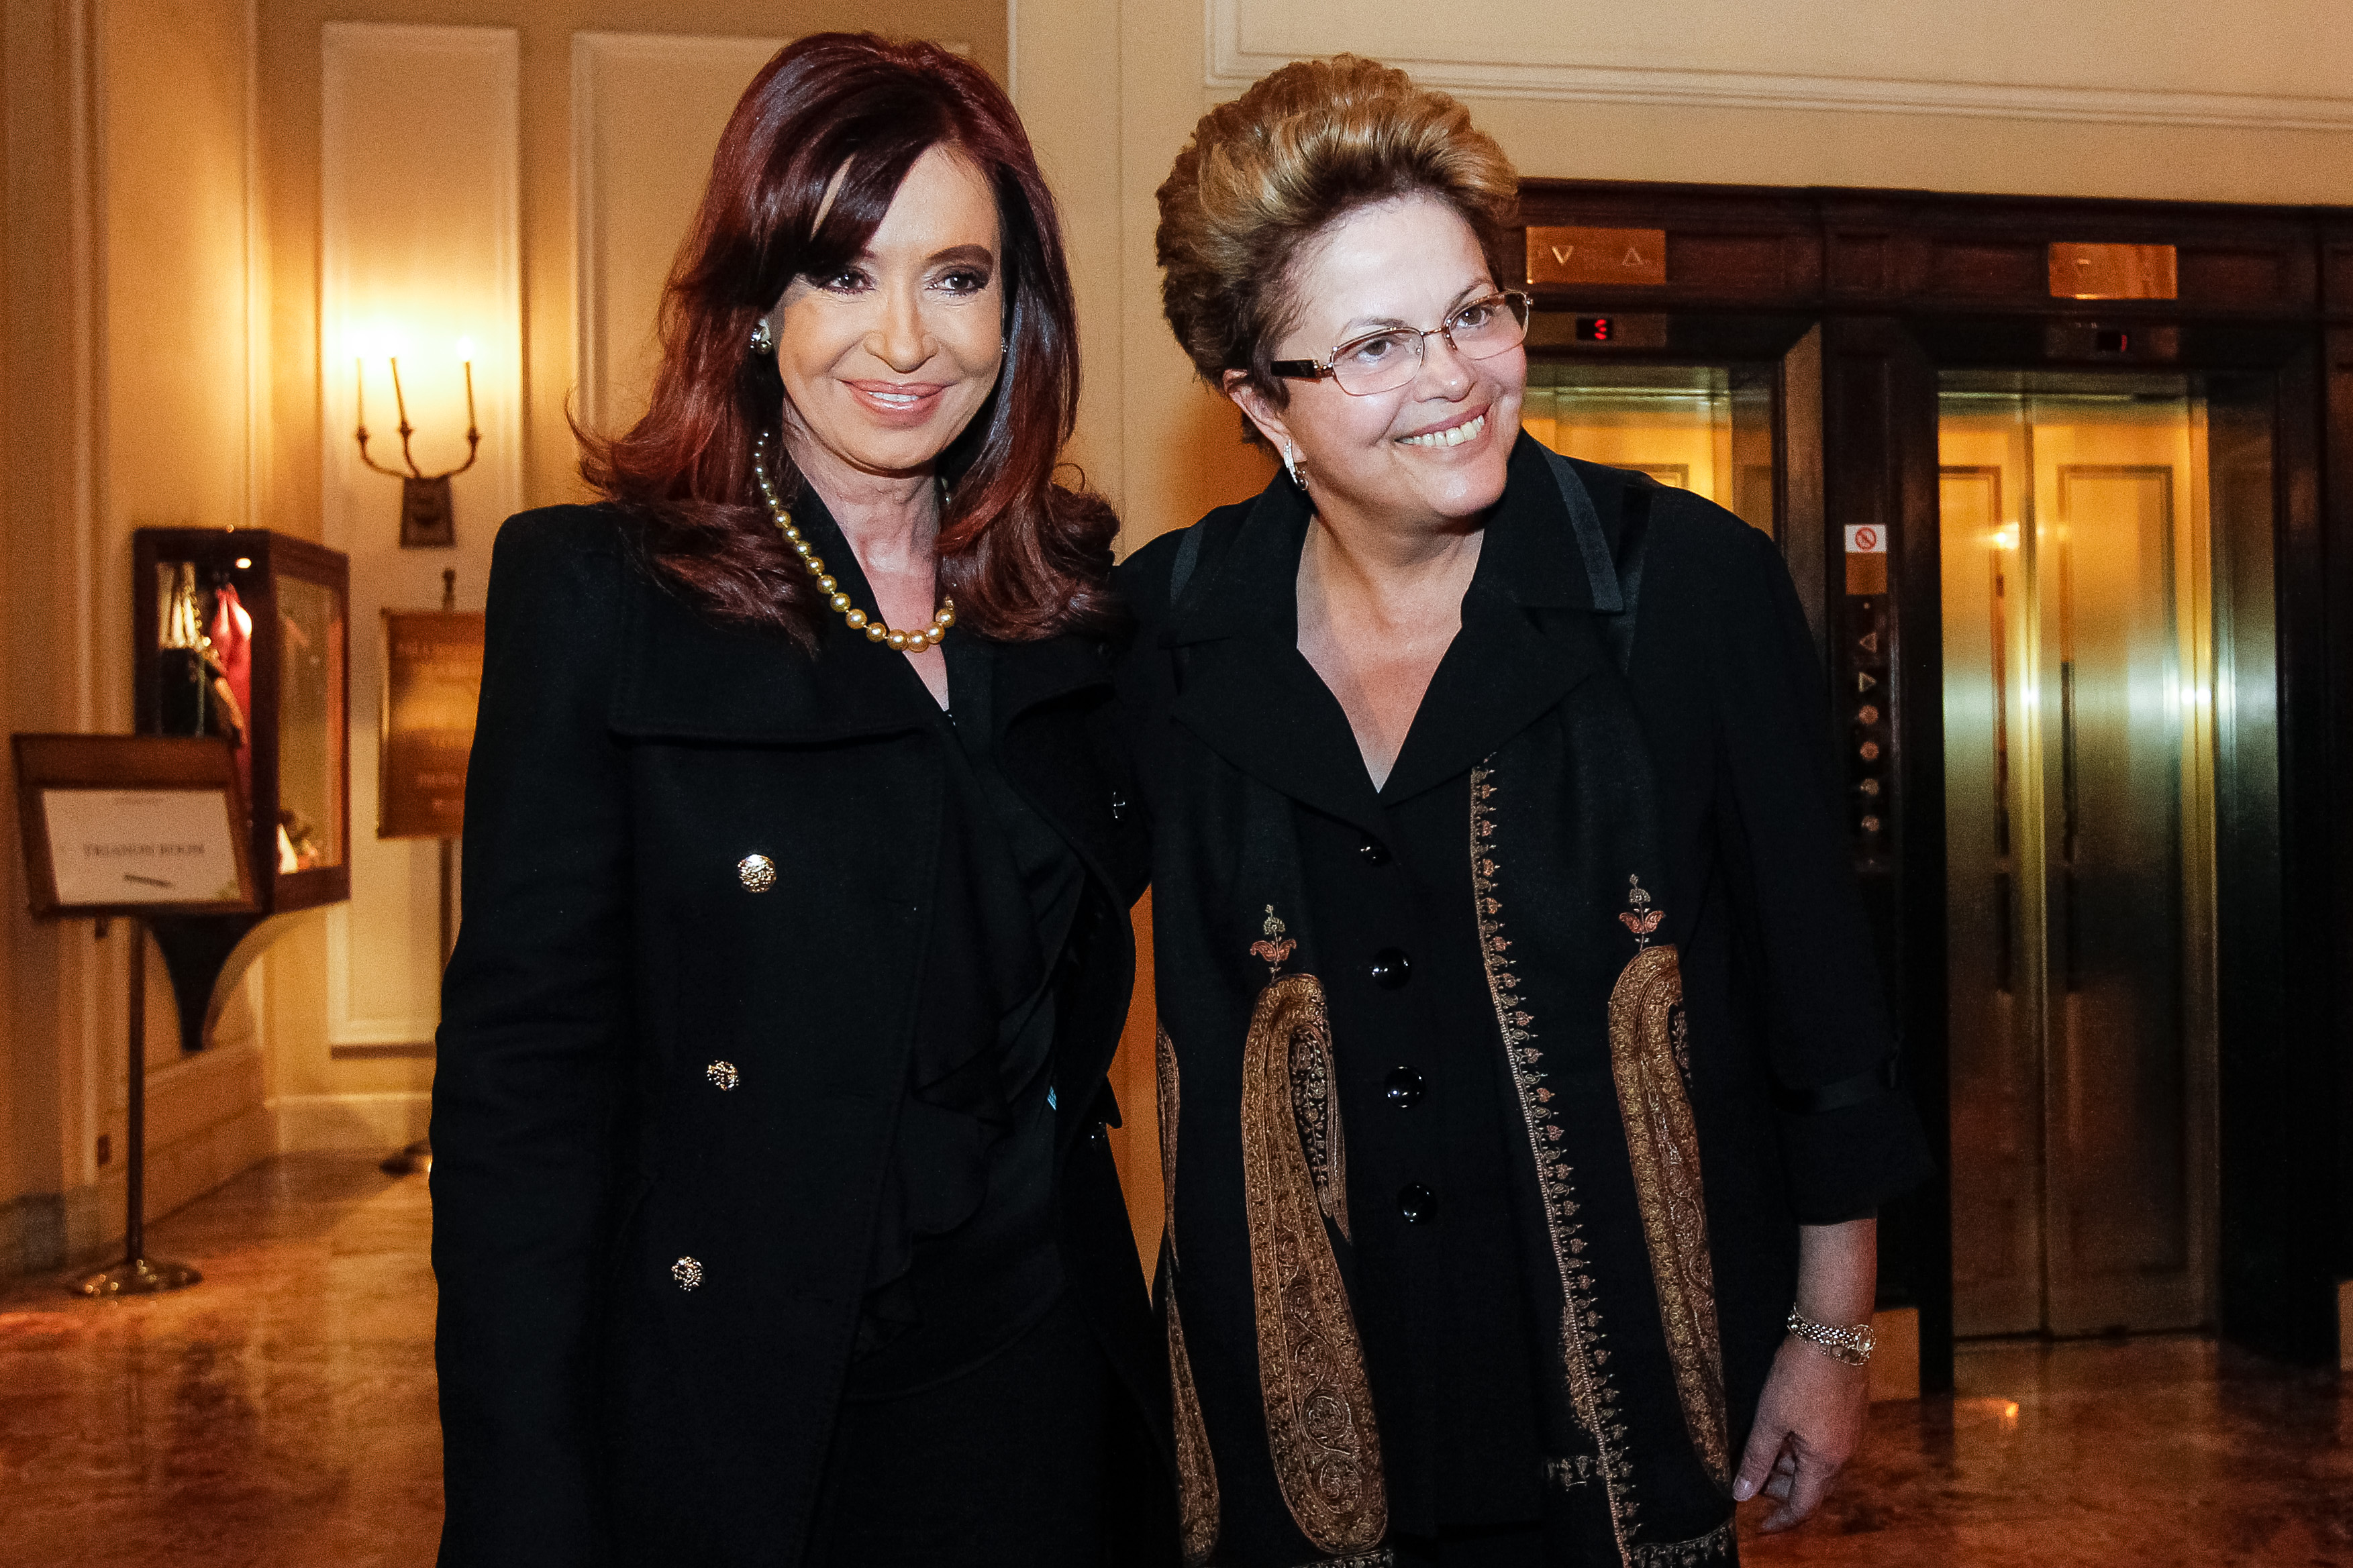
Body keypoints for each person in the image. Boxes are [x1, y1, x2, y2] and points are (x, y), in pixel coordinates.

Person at [1119, 56, 1932, 1567]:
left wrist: (1833, 1328)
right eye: (1371, 344)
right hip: (1293, 1444)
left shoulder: (1684, 587)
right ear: (1255, 398)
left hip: (1625, 1403)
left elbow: (1823, 997)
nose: (1453, 377)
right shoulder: (1166, 631)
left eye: (1474, 309)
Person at [431, 34, 1171, 1568]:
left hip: (1039, 1385)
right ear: (757, 302)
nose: (904, 337)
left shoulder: (1073, 606)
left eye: (957, 278)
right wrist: (519, 1501)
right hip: (747, 1406)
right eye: (843, 272)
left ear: (1016, 311)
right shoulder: (599, 594)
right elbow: (522, 1095)